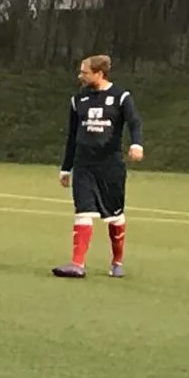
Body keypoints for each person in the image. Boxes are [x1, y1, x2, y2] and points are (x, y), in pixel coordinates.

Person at [54, 55, 143, 279]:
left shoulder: (121, 97)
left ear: (99, 73)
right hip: (84, 165)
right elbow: (72, 136)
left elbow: (134, 122)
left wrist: (136, 144)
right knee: (82, 212)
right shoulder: (78, 100)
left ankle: (117, 261)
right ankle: (77, 264)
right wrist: (66, 168)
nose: (80, 76)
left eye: (84, 72)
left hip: (110, 165)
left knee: (115, 216)